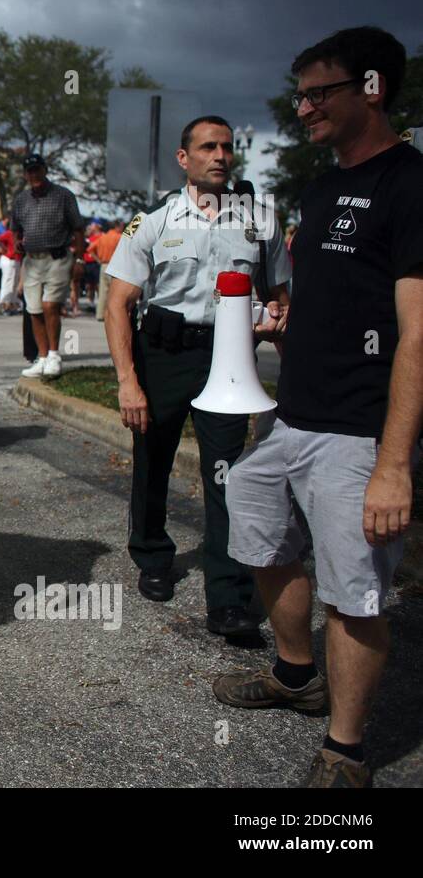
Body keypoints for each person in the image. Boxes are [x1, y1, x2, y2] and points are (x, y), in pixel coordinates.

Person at [213, 27, 423, 788]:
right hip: (291, 417)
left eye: (318, 93)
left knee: (354, 591)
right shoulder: (322, 184)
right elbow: (331, 294)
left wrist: (395, 464)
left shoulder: (411, 183)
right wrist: (284, 320)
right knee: (260, 535)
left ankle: (347, 749)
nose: (302, 108)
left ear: (371, 88)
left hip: (358, 433)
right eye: (298, 94)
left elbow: (417, 336)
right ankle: (296, 674)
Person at [104, 115, 292, 636]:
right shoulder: (155, 221)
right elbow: (118, 304)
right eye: (208, 147)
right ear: (183, 159)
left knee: (228, 475)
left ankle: (229, 597)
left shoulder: (261, 222)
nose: (220, 155)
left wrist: (277, 317)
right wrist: (128, 380)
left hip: (229, 357)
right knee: (153, 459)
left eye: (227, 147)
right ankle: (153, 556)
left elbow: (278, 294)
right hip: (162, 354)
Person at [11, 153, 86, 377]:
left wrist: (80, 259)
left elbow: (78, 229)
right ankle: (42, 357)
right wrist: (17, 242)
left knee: (49, 306)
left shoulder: (63, 196)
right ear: (25, 175)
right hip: (32, 260)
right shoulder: (21, 200)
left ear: (44, 170)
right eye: (29, 171)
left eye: (37, 170)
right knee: (33, 309)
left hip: (58, 258)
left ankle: (54, 355)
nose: (33, 175)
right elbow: (16, 227)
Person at [90, 219, 123, 321]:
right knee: (115, 293)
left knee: (103, 292)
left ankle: (100, 315)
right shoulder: (119, 237)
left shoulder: (102, 237)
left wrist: (98, 260)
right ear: (118, 226)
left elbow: (90, 249)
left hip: (103, 265)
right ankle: (112, 316)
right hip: (115, 266)